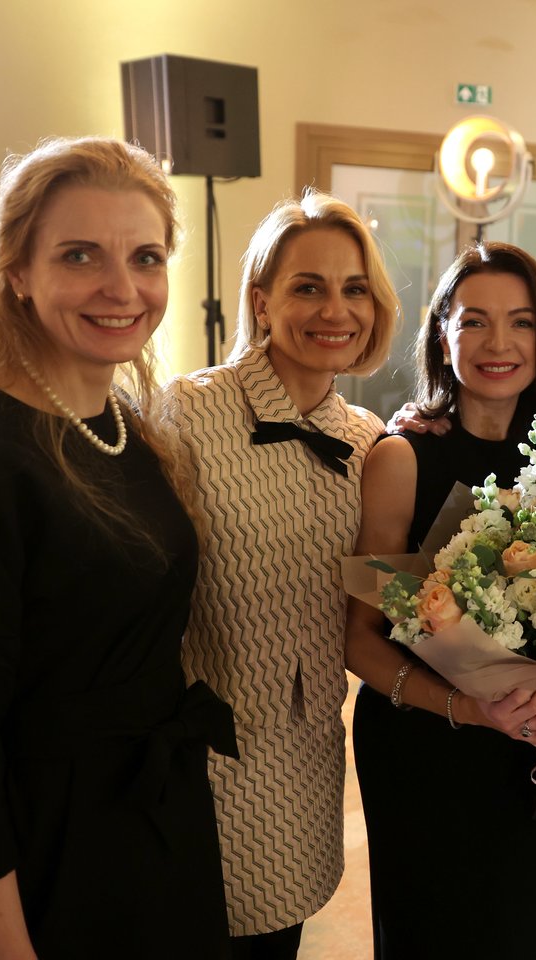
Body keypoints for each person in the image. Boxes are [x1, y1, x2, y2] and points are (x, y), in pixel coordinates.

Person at [0, 136, 233, 957]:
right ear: (17, 271)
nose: (122, 288)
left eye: (145, 258)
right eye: (80, 255)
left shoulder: (125, 426)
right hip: (50, 858)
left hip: (151, 825)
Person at [344, 241, 536, 959]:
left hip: (519, 743)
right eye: (474, 322)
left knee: (512, 929)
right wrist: (467, 706)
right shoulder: (402, 458)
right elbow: (359, 637)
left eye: (522, 322)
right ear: (442, 336)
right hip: (422, 745)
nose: (499, 343)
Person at [160, 190, 397, 958]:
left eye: (354, 288)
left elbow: (380, 606)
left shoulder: (366, 441)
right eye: (308, 287)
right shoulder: (187, 413)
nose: (336, 310)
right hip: (202, 760)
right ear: (261, 302)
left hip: (308, 759)